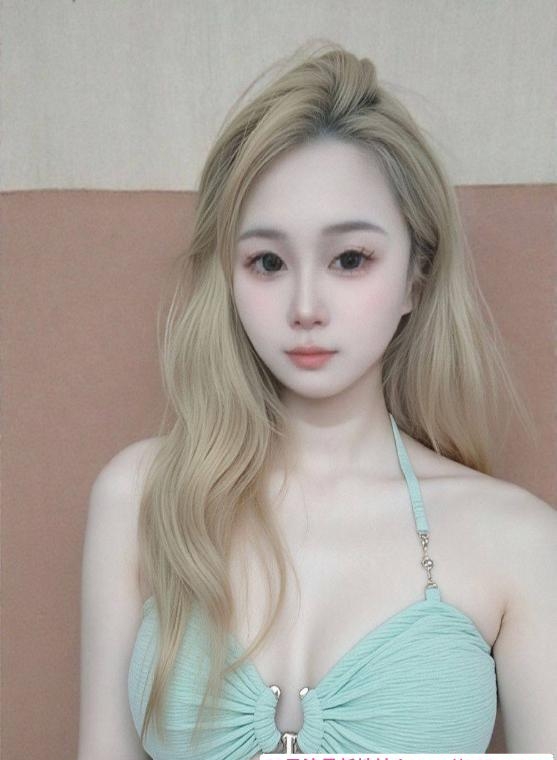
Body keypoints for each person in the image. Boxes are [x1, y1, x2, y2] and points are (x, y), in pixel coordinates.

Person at [78, 42, 557, 760]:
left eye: (349, 259)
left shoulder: (520, 541)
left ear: (416, 277)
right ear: (229, 277)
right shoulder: (141, 497)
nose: (305, 306)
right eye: (267, 262)